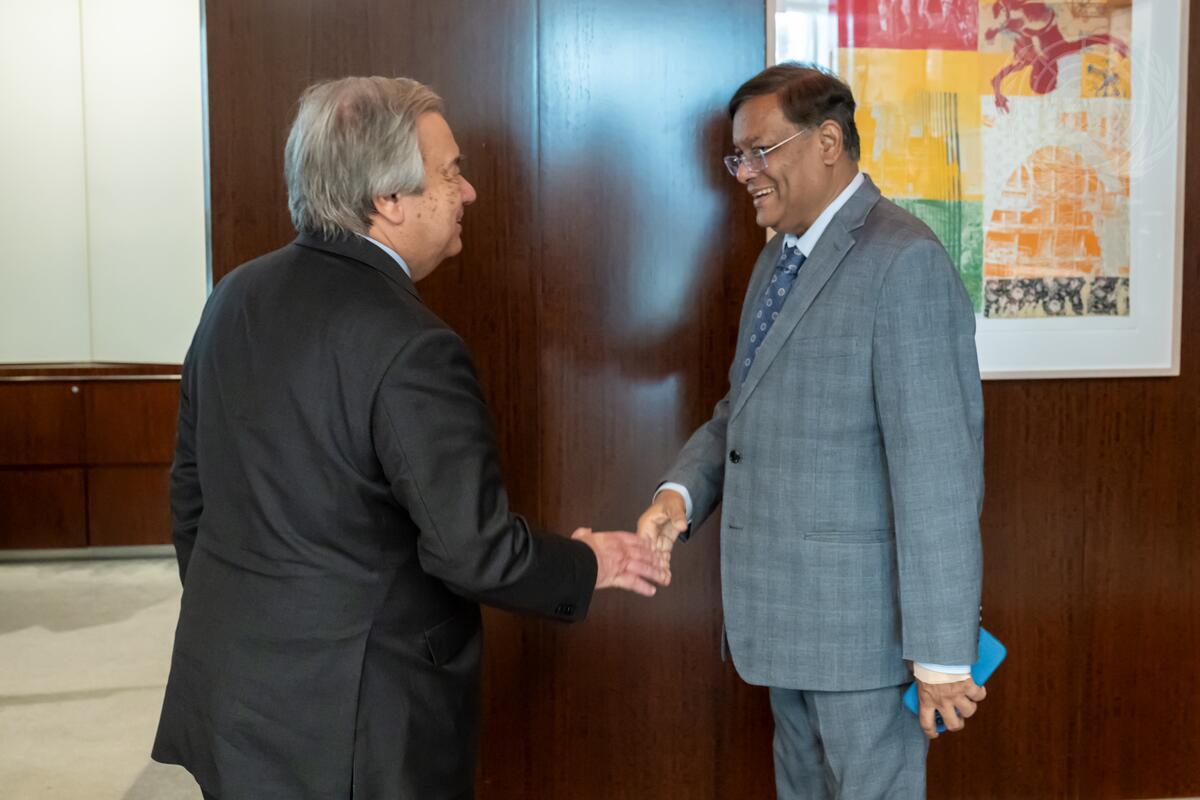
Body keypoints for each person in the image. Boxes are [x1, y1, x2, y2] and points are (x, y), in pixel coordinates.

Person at [152, 76, 668, 800]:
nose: (469, 192)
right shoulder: (413, 345)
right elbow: (472, 551)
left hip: (233, 694)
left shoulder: (233, 295)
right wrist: (591, 563)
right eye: (451, 172)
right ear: (388, 199)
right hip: (358, 728)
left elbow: (191, 497)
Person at [637, 63, 986, 799]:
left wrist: (942, 653)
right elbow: (744, 408)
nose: (745, 174)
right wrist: (681, 494)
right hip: (783, 624)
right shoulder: (779, 256)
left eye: (760, 152)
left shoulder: (905, 262)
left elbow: (938, 473)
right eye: (737, 157)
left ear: (828, 142)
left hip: (866, 641)